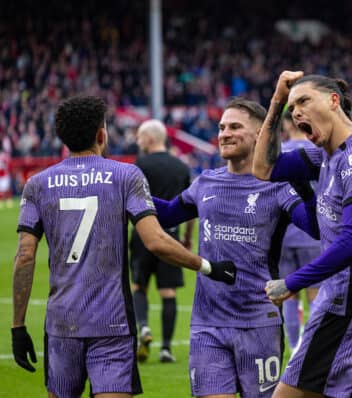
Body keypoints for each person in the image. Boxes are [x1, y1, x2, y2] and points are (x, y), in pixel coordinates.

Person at [11, 95, 235, 398]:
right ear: (102, 135)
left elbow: (24, 256)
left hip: (62, 324)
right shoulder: (125, 175)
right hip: (112, 322)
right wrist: (208, 266)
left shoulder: (37, 184)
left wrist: (18, 326)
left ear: (61, 137)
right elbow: (155, 240)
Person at [151, 97, 319, 398]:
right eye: (221, 127)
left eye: (235, 127)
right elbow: (168, 214)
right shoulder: (206, 183)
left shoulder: (277, 186)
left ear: (259, 135)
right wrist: (128, 190)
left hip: (258, 323)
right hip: (207, 324)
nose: (224, 133)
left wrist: (305, 187)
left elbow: (315, 228)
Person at [253, 71, 352, 398]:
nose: (297, 112)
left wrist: (292, 283)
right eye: (293, 108)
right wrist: (276, 102)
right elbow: (262, 168)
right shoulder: (325, 156)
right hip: (339, 302)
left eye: (304, 101)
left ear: (334, 101)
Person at [130, 119, 194, 363]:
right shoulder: (180, 166)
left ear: (149, 138)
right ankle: (166, 348)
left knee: (139, 286)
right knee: (168, 292)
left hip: (142, 234)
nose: (137, 141)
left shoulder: (140, 165)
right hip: (171, 234)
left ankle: (144, 327)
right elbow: (189, 205)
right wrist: (187, 237)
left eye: (139, 137)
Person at [278, 111, 321, 352]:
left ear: (285, 125)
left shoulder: (278, 154)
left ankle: (294, 348)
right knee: (316, 293)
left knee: (289, 294)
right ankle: (311, 348)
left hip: (284, 235)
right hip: (313, 232)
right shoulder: (319, 152)